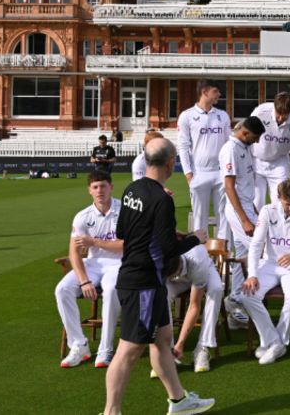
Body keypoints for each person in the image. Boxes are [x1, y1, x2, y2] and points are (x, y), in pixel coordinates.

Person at [103, 138, 214, 415]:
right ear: (170, 162)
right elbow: (168, 251)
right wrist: (195, 239)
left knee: (163, 339)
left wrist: (163, 233)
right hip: (143, 284)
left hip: (144, 280)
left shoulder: (132, 189)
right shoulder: (161, 198)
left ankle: (179, 400)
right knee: (128, 351)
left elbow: (123, 232)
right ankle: (110, 411)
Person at [234, 179, 290, 365]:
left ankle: (276, 342)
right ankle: (274, 342)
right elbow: (256, 245)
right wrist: (252, 274)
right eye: (287, 204)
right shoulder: (268, 211)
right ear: (279, 198)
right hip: (268, 264)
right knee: (247, 296)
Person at [55, 170, 123, 368]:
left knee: (111, 290)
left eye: (103, 186)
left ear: (111, 187)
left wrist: (94, 241)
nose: (99, 190)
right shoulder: (82, 217)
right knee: (62, 289)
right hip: (93, 264)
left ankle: (106, 348)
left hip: (120, 263)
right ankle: (79, 344)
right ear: (89, 191)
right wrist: (84, 280)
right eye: (95, 187)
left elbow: (128, 245)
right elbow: (74, 253)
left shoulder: (125, 210)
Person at [217, 116, 266, 328]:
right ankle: (238, 300)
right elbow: (229, 188)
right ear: (244, 133)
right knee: (261, 250)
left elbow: (245, 186)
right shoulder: (230, 149)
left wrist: (254, 209)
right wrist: (245, 219)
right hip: (238, 210)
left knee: (242, 256)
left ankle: (235, 304)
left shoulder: (244, 148)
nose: (256, 142)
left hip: (247, 206)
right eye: (254, 138)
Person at [178, 80, 232, 242]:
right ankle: (200, 257)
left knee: (224, 215)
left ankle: (224, 258)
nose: (219, 95)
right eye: (216, 91)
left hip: (220, 173)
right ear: (205, 92)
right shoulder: (187, 116)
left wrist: (228, 171)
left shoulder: (222, 116)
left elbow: (229, 145)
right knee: (199, 218)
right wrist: (188, 174)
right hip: (199, 173)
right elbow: (183, 147)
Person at [163, 239, 224, 373]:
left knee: (216, 289)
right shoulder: (161, 255)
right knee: (161, 296)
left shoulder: (198, 261)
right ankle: (167, 351)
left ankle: (202, 348)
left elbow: (194, 306)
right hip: (178, 275)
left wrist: (181, 343)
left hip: (201, 271)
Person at [250, 92, 290, 210]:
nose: (281, 118)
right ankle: (257, 228)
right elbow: (245, 134)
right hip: (256, 160)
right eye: (278, 114)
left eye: (285, 115)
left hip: (279, 162)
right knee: (256, 202)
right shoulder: (260, 112)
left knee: (281, 204)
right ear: (274, 107)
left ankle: (278, 228)